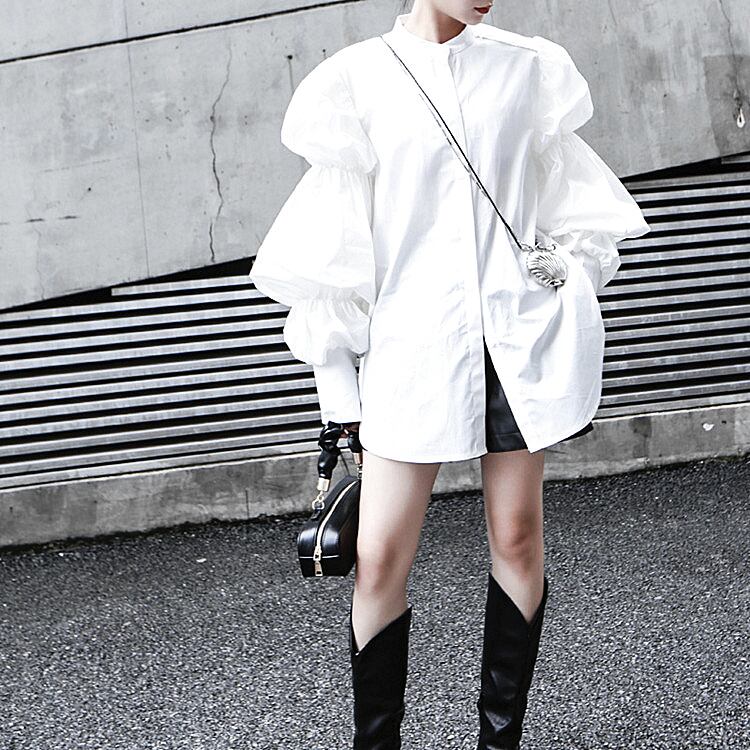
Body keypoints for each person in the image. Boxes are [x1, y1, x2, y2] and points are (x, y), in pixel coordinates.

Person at [249, 0, 650, 747]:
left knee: (518, 538)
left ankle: (500, 741)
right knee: (377, 561)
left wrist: (562, 274)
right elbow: (331, 256)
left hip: (514, 346)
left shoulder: (528, 68)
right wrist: (340, 398)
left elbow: (580, 208)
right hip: (412, 352)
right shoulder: (357, 81)